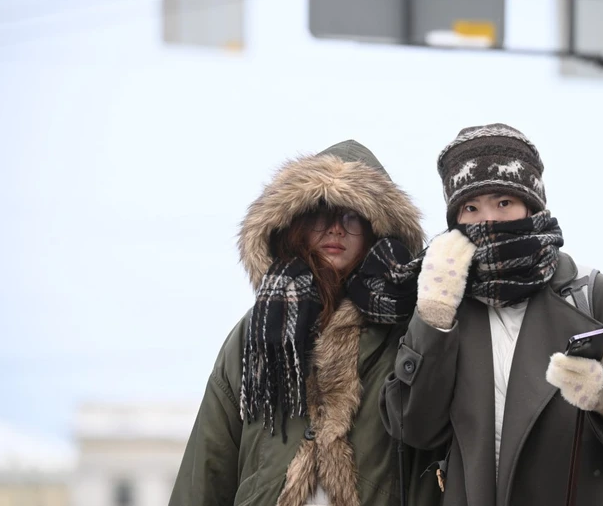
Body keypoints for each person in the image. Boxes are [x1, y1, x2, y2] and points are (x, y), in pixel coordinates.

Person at [379, 123, 603, 505]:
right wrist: (433, 318)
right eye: (471, 207)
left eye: (503, 202)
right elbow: (412, 428)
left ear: (532, 204)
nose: (487, 219)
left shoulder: (592, 294)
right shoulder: (443, 303)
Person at [170, 140, 442, 506]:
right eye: (320, 213)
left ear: (377, 229)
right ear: (295, 224)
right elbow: (209, 460)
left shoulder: (410, 330)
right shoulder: (256, 331)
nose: (335, 229)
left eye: (352, 217)